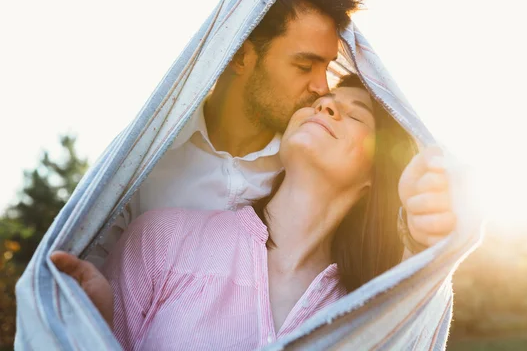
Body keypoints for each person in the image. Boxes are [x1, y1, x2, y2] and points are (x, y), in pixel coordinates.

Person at [88, 0, 455, 266]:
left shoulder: (312, 160)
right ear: (238, 55)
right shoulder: (143, 161)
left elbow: (380, 241)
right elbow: (93, 274)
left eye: (326, 66)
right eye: (304, 66)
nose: (321, 87)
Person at [53, 76, 452, 350]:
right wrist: (95, 324)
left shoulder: (368, 310)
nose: (327, 105)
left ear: (375, 175)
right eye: (319, 102)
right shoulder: (162, 239)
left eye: (356, 113)